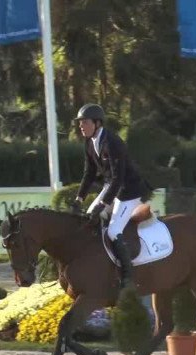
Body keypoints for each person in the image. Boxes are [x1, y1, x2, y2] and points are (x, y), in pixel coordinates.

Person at [72, 103, 152, 289]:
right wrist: (79, 199)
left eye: (84, 122)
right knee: (88, 220)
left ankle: (127, 275)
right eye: (80, 122)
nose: (81, 126)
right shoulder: (89, 142)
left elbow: (119, 178)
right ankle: (99, 264)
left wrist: (103, 203)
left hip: (129, 191)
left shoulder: (113, 142)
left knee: (114, 231)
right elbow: (89, 174)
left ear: (97, 123)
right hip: (112, 187)